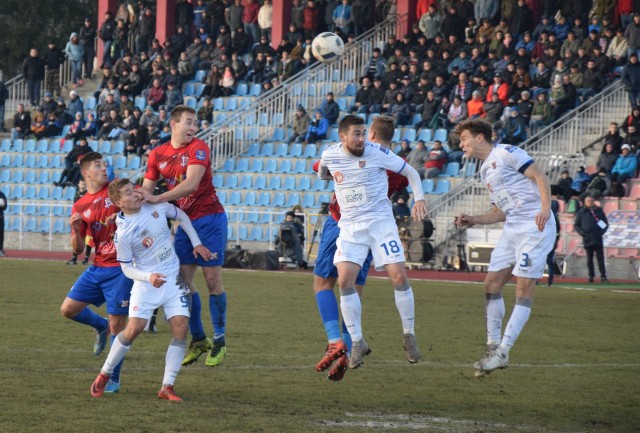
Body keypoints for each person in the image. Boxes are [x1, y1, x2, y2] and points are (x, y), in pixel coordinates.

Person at [318, 114, 428, 371]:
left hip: (380, 225)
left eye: (362, 132)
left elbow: (411, 171)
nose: (360, 138)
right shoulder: (330, 154)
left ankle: (409, 335)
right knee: (344, 281)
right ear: (342, 137)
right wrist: (328, 175)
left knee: (399, 277)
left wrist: (419, 199)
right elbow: (324, 170)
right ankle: (357, 342)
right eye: (355, 134)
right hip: (351, 229)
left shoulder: (377, 152)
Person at [90, 179, 212, 401]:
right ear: (119, 203)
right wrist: (148, 276)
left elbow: (181, 216)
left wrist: (196, 243)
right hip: (146, 285)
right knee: (133, 329)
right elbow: (126, 268)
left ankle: (167, 386)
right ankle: (105, 373)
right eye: (128, 193)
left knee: (180, 328)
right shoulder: (123, 232)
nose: (135, 194)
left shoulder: (155, 205)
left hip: (173, 280)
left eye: (134, 189)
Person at [454, 119, 556, 377]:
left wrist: (545, 209)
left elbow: (540, 176)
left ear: (480, 137)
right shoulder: (485, 170)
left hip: (535, 224)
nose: (461, 144)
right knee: (491, 284)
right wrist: (474, 219)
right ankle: (492, 346)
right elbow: (500, 211)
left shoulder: (508, 152)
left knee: (523, 286)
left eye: (464, 138)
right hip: (512, 227)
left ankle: (503, 351)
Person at [141, 106, 228, 368]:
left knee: (212, 280)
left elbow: (190, 184)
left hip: (210, 219)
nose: (193, 127)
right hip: (184, 223)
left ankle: (220, 339)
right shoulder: (157, 154)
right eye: (189, 122)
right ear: (173, 124)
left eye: (195, 122)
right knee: (181, 282)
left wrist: (157, 198)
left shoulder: (198, 147)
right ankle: (200, 338)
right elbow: (146, 191)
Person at [59, 152, 134, 394]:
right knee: (68, 310)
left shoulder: (116, 189)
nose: (105, 168)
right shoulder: (80, 204)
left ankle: (114, 377)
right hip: (98, 265)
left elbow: (137, 206)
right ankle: (99, 326)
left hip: (122, 267)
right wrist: (76, 231)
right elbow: (80, 250)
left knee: (118, 325)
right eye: (98, 165)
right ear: (85, 173)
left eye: (105, 164)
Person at [574, 196, 609, 283]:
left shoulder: (599, 211)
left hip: (597, 238)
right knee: (589, 259)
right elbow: (577, 225)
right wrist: (582, 233)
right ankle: (591, 276)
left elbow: (605, 224)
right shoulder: (581, 212)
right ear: (585, 202)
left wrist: (601, 232)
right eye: (588, 201)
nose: (590, 202)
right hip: (587, 238)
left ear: (594, 201)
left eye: (591, 200)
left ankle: (603, 276)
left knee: (600, 258)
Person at [66, 180, 93, 265]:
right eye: (81, 183)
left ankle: (86, 259)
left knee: (88, 239)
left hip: (86, 218)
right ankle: (74, 258)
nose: (82, 185)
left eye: (84, 184)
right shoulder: (76, 194)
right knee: (75, 237)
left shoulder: (88, 195)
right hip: (78, 219)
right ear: (78, 184)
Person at [0, 187, 7, 256]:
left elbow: (5, 207)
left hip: (0, 217)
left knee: (1, 234)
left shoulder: (2, 195)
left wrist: (2, 205)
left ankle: (0, 250)